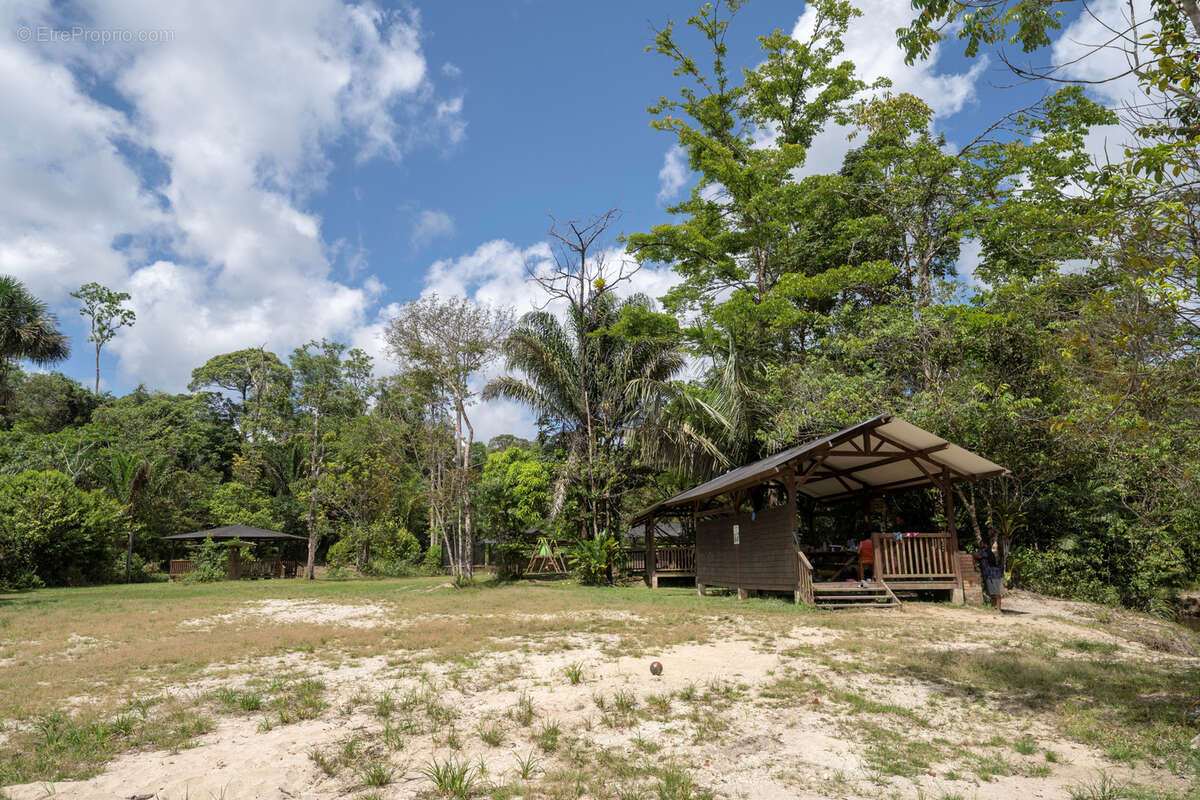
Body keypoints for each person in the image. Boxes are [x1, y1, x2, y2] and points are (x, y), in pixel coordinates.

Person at [975, 540, 1005, 611]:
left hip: (993, 573)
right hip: (988, 574)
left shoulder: (986, 551)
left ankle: (998, 609)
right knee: (991, 592)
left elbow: (978, 556)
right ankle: (994, 607)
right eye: (980, 544)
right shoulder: (983, 551)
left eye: (981, 543)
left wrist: (972, 554)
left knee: (996, 592)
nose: (980, 545)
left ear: (986, 544)